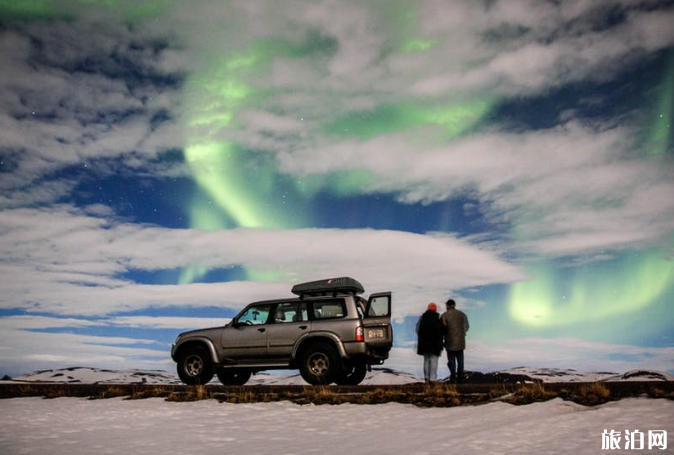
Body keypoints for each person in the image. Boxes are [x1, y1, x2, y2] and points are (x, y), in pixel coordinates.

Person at [440, 299, 469, 383]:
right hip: (461, 341)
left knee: (451, 360)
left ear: (448, 305)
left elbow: (442, 329)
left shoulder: (444, 315)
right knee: (460, 360)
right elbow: (466, 327)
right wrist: (462, 333)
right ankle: (461, 377)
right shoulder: (462, 315)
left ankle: (453, 377)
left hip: (449, 341)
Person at [416, 302, 444, 383]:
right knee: (434, 360)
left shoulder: (422, 318)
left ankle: (427, 378)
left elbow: (418, 330)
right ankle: (433, 379)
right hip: (435, 344)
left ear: (428, 309)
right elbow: (440, 332)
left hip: (424, 344)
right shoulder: (437, 318)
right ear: (435, 309)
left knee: (426, 360)